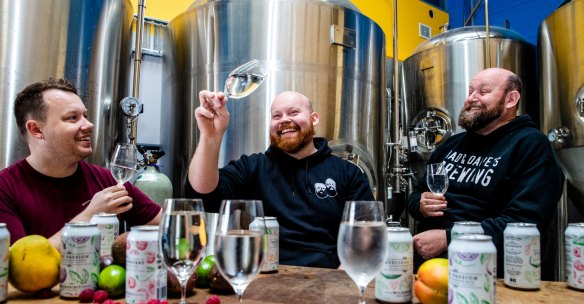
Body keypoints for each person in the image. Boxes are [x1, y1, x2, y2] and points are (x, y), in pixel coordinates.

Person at [185, 90, 374, 268]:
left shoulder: (348, 173)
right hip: (262, 279)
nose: (284, 120)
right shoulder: (253, 167)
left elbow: (365, 235)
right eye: (277, 116)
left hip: (328, 279)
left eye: (294, 112)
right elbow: (203, 196)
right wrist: (211, 136)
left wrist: (339, 284)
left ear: (313, 118)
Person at [407, 68, 564, 278]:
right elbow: (416, 195)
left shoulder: (530, 145)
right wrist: (420, 204)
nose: (472, 98)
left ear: (511, 99)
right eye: (470, 91)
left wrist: (449, 238)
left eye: (484, 91)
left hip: (488, 270)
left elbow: (524, 224)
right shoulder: (452, 144)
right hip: (428, 261)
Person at [0, 78, 161, 249]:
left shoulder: (108, 180)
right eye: (72, 118)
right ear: (36, 129)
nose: (89, 124)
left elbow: (166, 226)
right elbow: (18, 265)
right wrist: (91, 214)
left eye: (85, 116)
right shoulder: (5, 188)